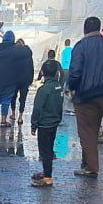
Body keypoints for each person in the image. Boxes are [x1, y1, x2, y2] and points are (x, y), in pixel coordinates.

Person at [67, 16, 103, 178]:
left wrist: (72, 87)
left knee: (86, 131)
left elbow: (75, 72)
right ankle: (86, 163)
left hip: (85, 95)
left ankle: (91, 168)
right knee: (93, 129)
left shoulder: (81, 46)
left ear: (85, 29)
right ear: (99, 28)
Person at [30, 56, 65, 188]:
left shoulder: (43, 90)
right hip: (54, 123)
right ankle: (46, 172)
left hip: (44, 124)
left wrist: (34, 124)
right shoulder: (58, 87)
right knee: (49, 149)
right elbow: (60, 105)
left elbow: (37, 108)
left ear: (43, 73)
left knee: (44, 151)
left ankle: (48, 178)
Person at [0, 30, 31, 128]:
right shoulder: (16, 49)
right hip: (10, 80)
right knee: (6, 100)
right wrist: (24, 46)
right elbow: (28, 52)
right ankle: (3, 121)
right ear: (13, 39)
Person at [10, 38, 35, 129]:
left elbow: (10, 67)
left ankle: (13, 114)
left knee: (13, 97)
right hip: (25, 80)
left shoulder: (13, 54)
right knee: (23, 99)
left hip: (14, 80)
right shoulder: (28, 54)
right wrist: (30, 80)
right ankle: (20, 117)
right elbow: (31, 68)